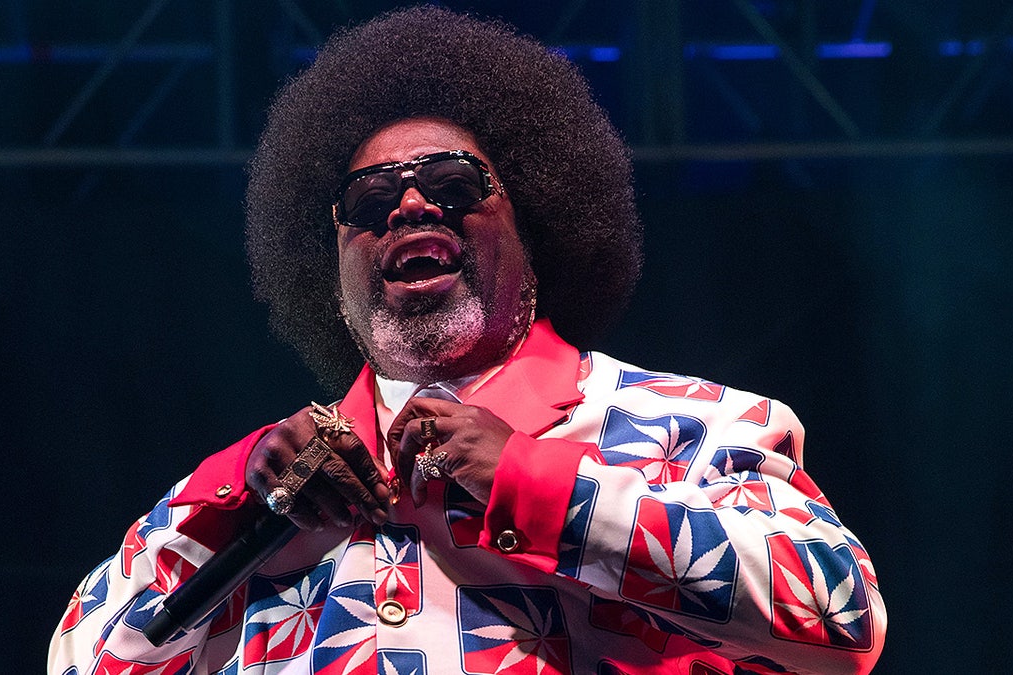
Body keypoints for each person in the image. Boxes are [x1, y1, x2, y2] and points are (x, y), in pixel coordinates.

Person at [49, 7, 885, 674]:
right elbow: (83, 660)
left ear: (535, 229)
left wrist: (530, 482)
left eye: (452, 185)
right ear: (331, 262)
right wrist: (244, 499)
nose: (411, 208)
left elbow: (842, 616)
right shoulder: (263, 489)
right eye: (371, 202)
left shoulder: (696, 427)